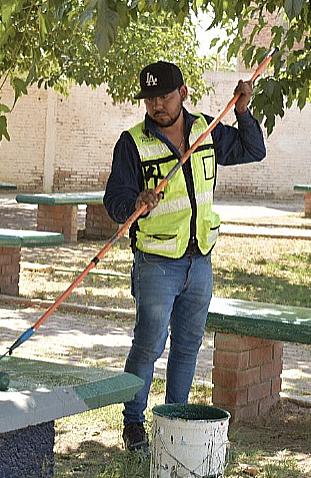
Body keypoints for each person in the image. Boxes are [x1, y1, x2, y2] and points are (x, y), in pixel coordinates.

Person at [103, 60, 267, 452]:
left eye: (165, 95)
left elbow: (252, 149)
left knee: (188, 346)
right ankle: (133, 424)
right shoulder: (132, 143)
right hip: (157, 263)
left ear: (184, 93)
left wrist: (243, 111)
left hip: (200, 261)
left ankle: (172, 421)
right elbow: (114, 199)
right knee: (148, 346)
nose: (157, 105)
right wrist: (136, 201)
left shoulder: (206, 132)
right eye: (150, 98)